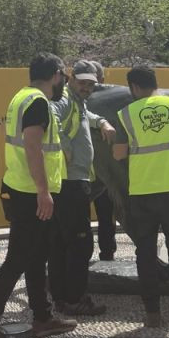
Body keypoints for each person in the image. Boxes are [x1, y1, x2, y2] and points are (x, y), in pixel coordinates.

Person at [0, 54, 77, 338]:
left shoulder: (20, 97)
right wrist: (43, 191)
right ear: (55, 75)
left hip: (23, 188)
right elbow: (32, 146)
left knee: (36, 256)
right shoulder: (38, 102)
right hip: (29, 193)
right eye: (63, 77)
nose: (63, 83)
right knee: (17, 259)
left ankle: (42, 318)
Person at [113, 64, 169, 328]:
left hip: (142, 192)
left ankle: (152, 311)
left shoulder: (126, 114)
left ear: (134, 87)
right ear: (154, 83)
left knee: (146, 251)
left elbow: (118, 154)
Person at [49, 60, 116, 316]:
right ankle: (75, 299)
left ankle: (61, 297)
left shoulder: (77, 101)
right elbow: (52, 118)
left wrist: (102, 122)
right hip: (70, 182)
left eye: (91, 84)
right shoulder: (65, 99)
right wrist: (65, 149)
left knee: (59, 243)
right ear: (71, 78)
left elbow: (85, 115)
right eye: (83, 82)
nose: (87, 87)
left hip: (67, 181)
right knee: (80, 244)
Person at [87, 61, 118, 262]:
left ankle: (99, 254)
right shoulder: (112, 101)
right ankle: (106, 254)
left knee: (94, 216)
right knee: (106, 216)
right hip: (94, 173)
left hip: (91, 173)